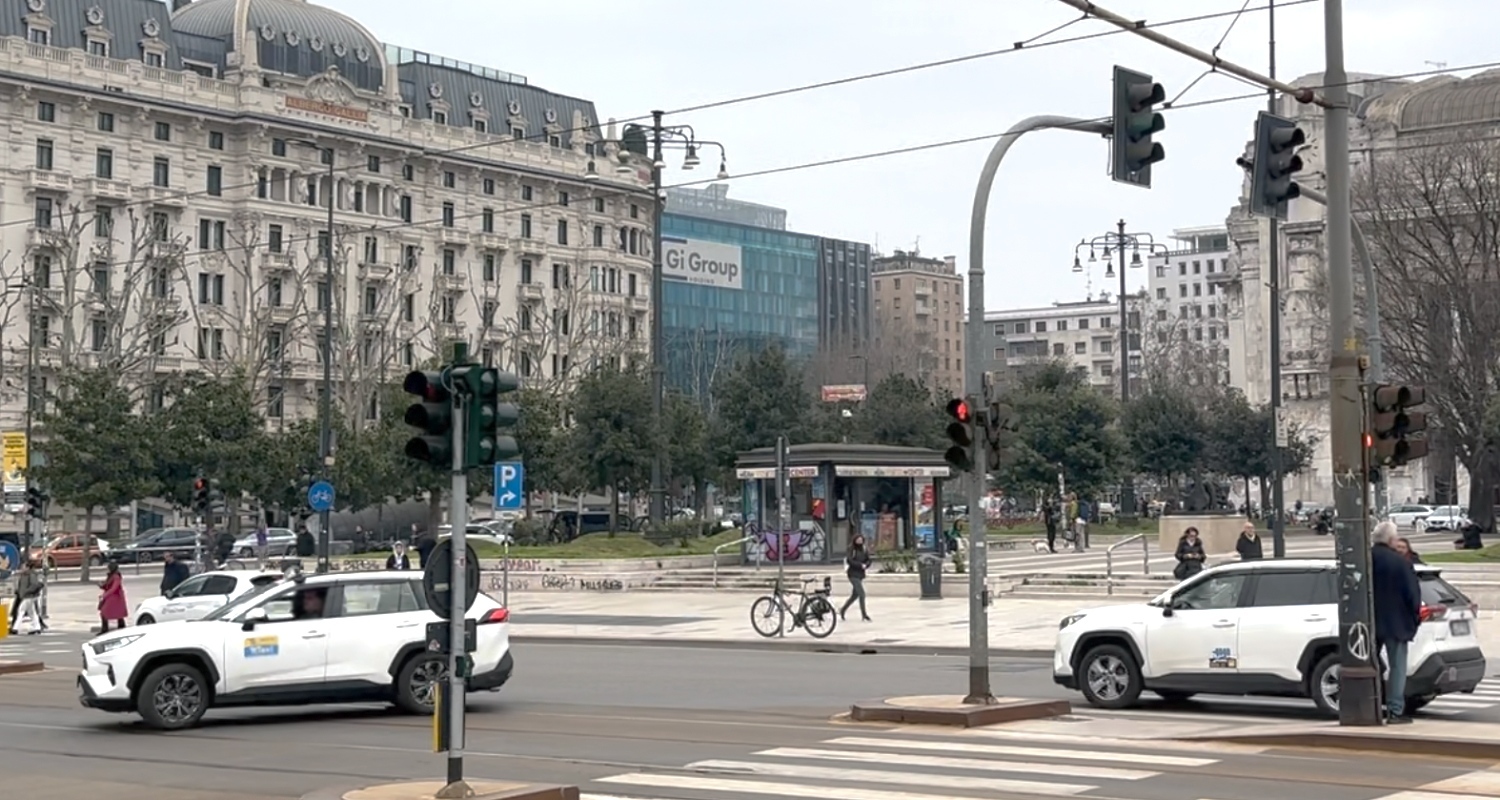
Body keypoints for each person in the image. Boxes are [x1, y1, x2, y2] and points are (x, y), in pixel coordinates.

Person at [1372, 520, 1421, 724]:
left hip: (1367, 623)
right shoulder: (1401, 562)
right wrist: (1414, 617)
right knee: (1397, 667)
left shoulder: (1363, 558)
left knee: (1368, 663)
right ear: (1392, 540)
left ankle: (1370, 704)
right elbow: (1413, 595)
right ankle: (1395, 710)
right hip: (1397, 622)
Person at [839, 534, 873, 622]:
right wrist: (860, 565)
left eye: (861, 540)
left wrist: (866, 565)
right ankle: (864, 615)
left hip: (860, 574)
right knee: (862, 594)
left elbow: (868, 559)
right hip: (853, 574)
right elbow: (849, 560)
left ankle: (843, 610)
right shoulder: (851, 549)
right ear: (855, 540)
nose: (859, 541)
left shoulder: (864, 549)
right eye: (858, 540)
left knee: (855, 595)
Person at [10, 562, 45, 635]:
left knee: (21, 611)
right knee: (32, 612)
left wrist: (26, 591)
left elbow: (34, 585)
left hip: (29, 596)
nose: (22, 568)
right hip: (27, 596)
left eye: (23, 567)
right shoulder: (24, 575)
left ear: (28, 567)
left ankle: (15, 628)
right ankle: (37, 627)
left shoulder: (31, 574)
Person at [97, 562, 128, 632]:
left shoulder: (116, 576)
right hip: (112, 597)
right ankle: (120, 627)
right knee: (116, 613)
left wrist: (104, 595)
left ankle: (107, 629)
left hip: (116, 598)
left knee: (106, 611)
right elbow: (108, 586)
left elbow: (114, 588)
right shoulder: (111, 576)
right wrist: (102, 585)